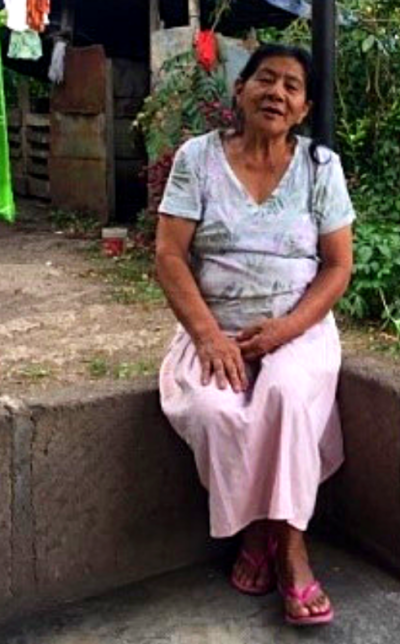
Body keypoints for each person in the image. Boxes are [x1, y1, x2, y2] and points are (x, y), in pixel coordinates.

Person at [155, 44, 355, 626]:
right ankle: (254, 530)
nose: (277, 93)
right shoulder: (197, 158)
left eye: (292, 86)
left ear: (304, 108)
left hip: (298, 327)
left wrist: (286, 329)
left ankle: (288, 548)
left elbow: (338, 266)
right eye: (265, 79)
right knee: (215, 411)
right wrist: (208, 337)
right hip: (215, 326)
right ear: (239, 90)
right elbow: (169, 255)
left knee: (285, 396)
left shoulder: (320, 166)